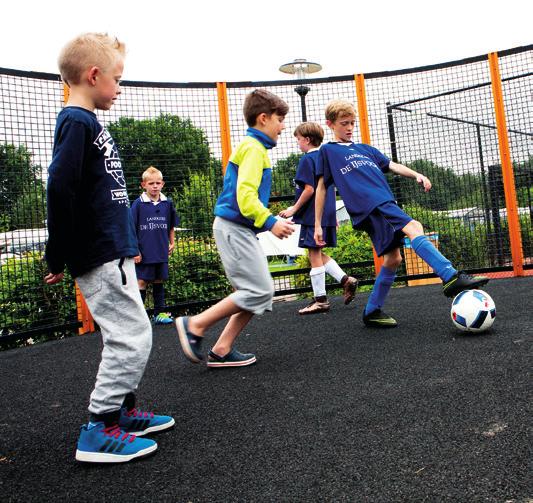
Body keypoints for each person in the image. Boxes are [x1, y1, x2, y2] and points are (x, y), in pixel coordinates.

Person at [44, 33, 174, 463]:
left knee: (132, 332)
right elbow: (60, 188)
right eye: (117, 79)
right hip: (97, 253)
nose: (119, 88)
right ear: (93, 75)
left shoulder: (89, 123)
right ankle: (99, 429)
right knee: (130, 337)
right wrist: (56, 252)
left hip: (112, 250)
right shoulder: (77, 122)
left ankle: (123, 412)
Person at [314, 99, 489, 328]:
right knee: (414, 226)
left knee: (393, 258)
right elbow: (321, 187)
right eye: (344, 123)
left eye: (352, 123)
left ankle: (372, 310)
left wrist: (417, 174)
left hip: (382, 202)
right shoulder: (328, 151)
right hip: (371, 204)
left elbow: (392, 165)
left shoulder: (365, 149)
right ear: (330, 124)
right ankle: (450, 276)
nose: (349, 128)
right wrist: (318, 223)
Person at [176, 89, 294, 368]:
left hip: (239, 229)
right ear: (263, 118)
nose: (283, 126)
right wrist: (270, 221)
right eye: (280, 119)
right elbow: (245, 196)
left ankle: (222, 348)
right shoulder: (253, 148)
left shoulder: (255, 147)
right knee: (258, 291)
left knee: (257, 291)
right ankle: (195, 324)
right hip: (234, 227)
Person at [279, 122, 358, 314]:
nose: (297, 143)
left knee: (314, 255)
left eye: (298, 139)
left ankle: (320, 300)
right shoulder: (325, 158)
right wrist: (331, 215)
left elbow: (309, 189)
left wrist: (293, 209)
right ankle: (346, 280)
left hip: (312, 216)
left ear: (306, 139)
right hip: (326, 214)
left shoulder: (307, 159)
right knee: (317, 253)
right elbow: (328, 187)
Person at [131, 166, 179, 325]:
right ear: (143, 185)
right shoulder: (138, 204)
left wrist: (172, 242)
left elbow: (171, 225)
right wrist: (135, 251)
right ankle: (137, 317)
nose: (155, 186)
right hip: (144, 252)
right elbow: (131, 229)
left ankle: (159, 313)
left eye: (158, 183)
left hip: (160, 251)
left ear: (163, 184)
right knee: (142, 281)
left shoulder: (167, 203)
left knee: (159, 280)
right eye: (151, 183)